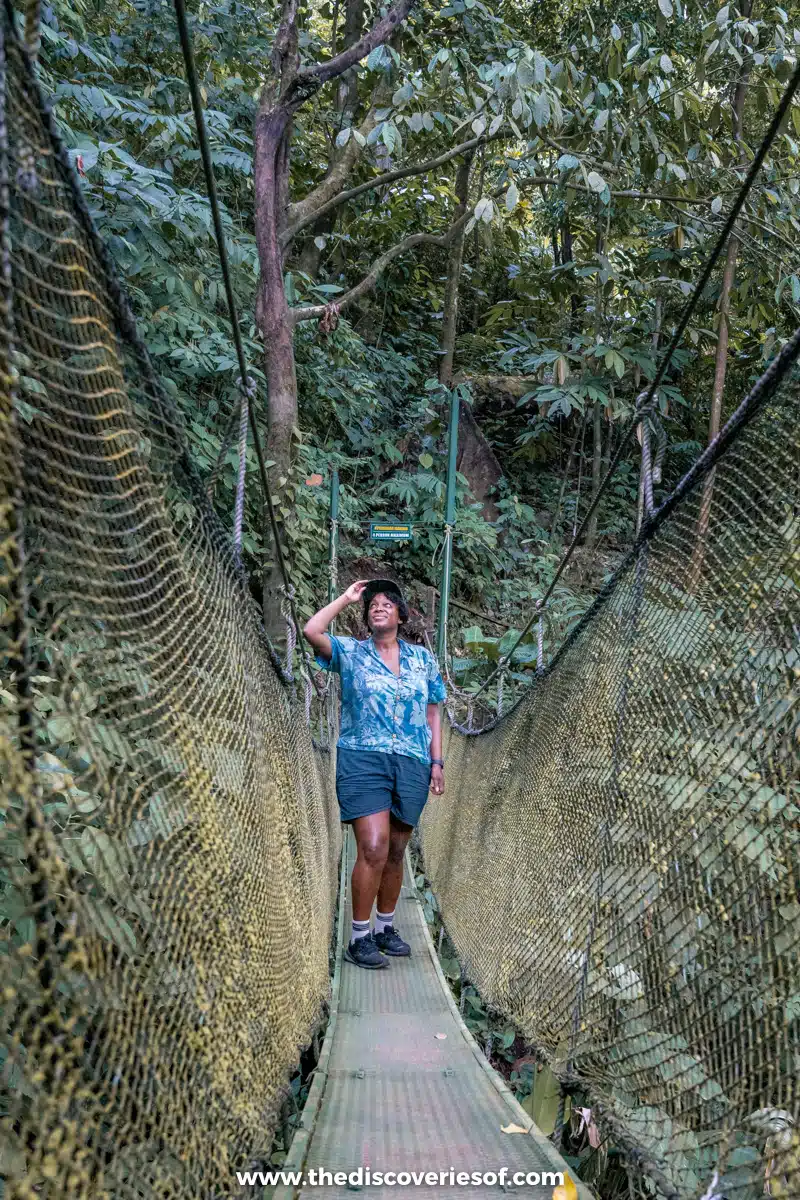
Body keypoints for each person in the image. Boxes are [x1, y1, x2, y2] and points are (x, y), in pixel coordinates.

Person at [303, 578, 446, 969]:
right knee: (373, 846)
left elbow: (433, 712)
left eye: (386, 603)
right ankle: (359, 937)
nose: (377, 607)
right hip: (363, 759)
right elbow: (311, 630)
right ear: (367, 617)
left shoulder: (422, 660)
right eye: (372, 604)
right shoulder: (350, 652)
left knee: (397, 850)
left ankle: (385, 928)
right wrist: (346, 598)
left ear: (401, 614)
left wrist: (437, 762)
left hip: (413, 761)